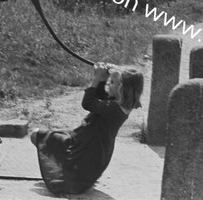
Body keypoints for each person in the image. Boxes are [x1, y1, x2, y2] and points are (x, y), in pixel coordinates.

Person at [31, 63, 144, 195]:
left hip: (82, 149)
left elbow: (88, 103)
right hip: (93, 153)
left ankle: (68, 170)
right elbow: (100, 99)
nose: (109, 84)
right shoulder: (121, 107)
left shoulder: (112, 108)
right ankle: (71, 171)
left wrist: (96, 79)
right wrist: (103, 81)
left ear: (122, 89)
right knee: (54, 137)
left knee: (36, 135)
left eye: (113, 82)